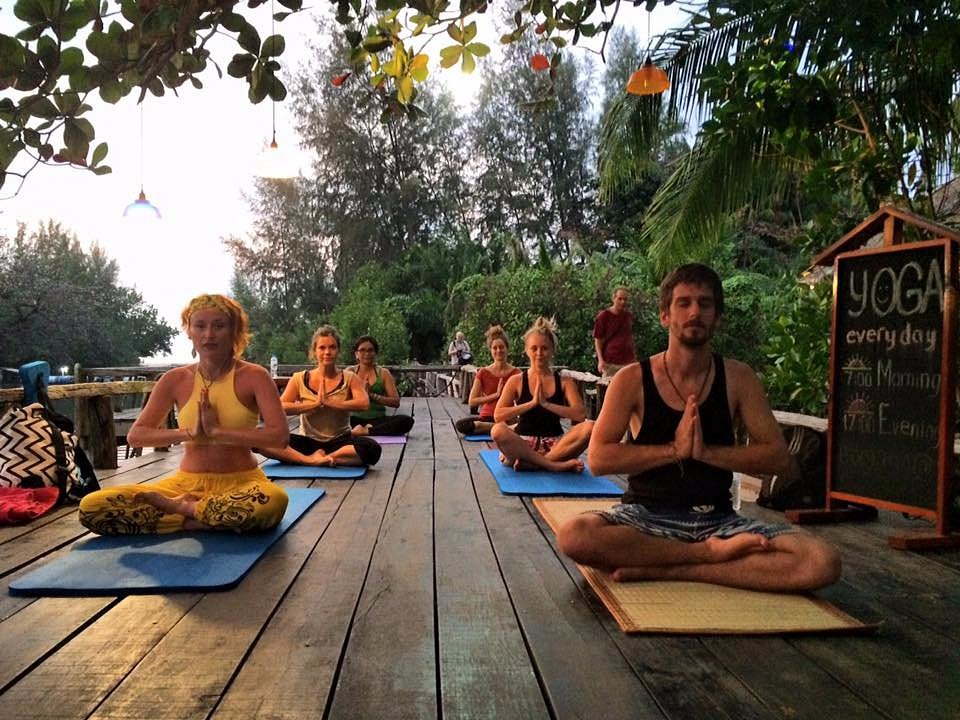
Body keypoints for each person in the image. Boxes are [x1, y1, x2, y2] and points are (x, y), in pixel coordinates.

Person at [557, 264, 841, 592]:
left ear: (717, 317)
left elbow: (779, 459)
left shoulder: (739, 379)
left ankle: (675, 569)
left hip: (718, 519)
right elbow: (601, 458)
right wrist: (673, 451)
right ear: (665, 315)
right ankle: (705, 556)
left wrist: (707, 453)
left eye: (705, 304)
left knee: (821, 561)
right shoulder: (632, 380)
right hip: (645, 518)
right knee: (575, 535)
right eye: (684, 303)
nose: (695, 312)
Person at [78, 294, 291, 534]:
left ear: (234, 331)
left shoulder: (255, 376)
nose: (208, 335)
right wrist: (189, 432)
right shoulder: (175, 379)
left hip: (242, 483)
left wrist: (218, 431)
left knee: (273, 502)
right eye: (200, 326)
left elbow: (279, 436)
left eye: (219, 326)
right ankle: (205, 517)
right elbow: (137, 436)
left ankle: (184, 513)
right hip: (184, 484)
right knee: (91, 506)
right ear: (189, 331)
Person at [259, 326, 382, 467]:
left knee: (372, 449)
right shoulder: (299, 378)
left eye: (332, 347)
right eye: (322, 348)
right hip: (308, 442)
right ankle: (310, 459)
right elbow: (280, 407)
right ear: (314, 351)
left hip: (340, 441)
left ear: (338, 350)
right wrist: (314, 404)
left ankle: (325, 458)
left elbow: (363, 403)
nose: (327, 352)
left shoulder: (349, 377)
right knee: (260, 438)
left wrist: (330, 402)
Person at [491, 316, 594, 473]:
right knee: (497, 430)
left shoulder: (564, 382)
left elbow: (580, 414)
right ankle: (552, 465)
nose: (539, 353)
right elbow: (498, 415)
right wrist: (531, 404)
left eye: (544, 348)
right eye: (534, 348)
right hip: (523, 444)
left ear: (552, 350)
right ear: (526, 350)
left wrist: (547, 404)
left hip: (556, 445)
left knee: (590, 427)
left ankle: (536, 463)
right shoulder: (516, 380)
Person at [455, 325, 522, 436]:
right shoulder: (483, 372)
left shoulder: (517, 373)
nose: (498, 350)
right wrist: (496, 395)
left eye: (501, 347)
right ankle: (504, 429)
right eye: (494, 348)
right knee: (461, 425)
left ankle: (503, 428)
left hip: (508, 418)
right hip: (487, 418)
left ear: (507, 348)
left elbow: (522, 402)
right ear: (490, 350)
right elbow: (472, 401)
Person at [348, 335, 415, 437]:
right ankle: (366, 430)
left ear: (375, 353)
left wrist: (371, 395)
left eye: (370, 350)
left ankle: (366, 431)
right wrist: (360, 393)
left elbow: (396, 402)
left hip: (378, 420)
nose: (367, 354)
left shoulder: (383, 373)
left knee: (406, 421)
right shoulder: (350, 372)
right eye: (362, 350)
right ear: (356, 354)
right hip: (353, 419)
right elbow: (341, 398)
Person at [593, 286, 636, 377]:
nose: (622, 302)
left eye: (625, 299)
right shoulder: (603, 316)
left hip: (628, 362)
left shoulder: (628, 316)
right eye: (619, 299)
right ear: (613, 298)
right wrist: (600, 360)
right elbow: (598, 340)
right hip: (611, 363)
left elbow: (628, 336)